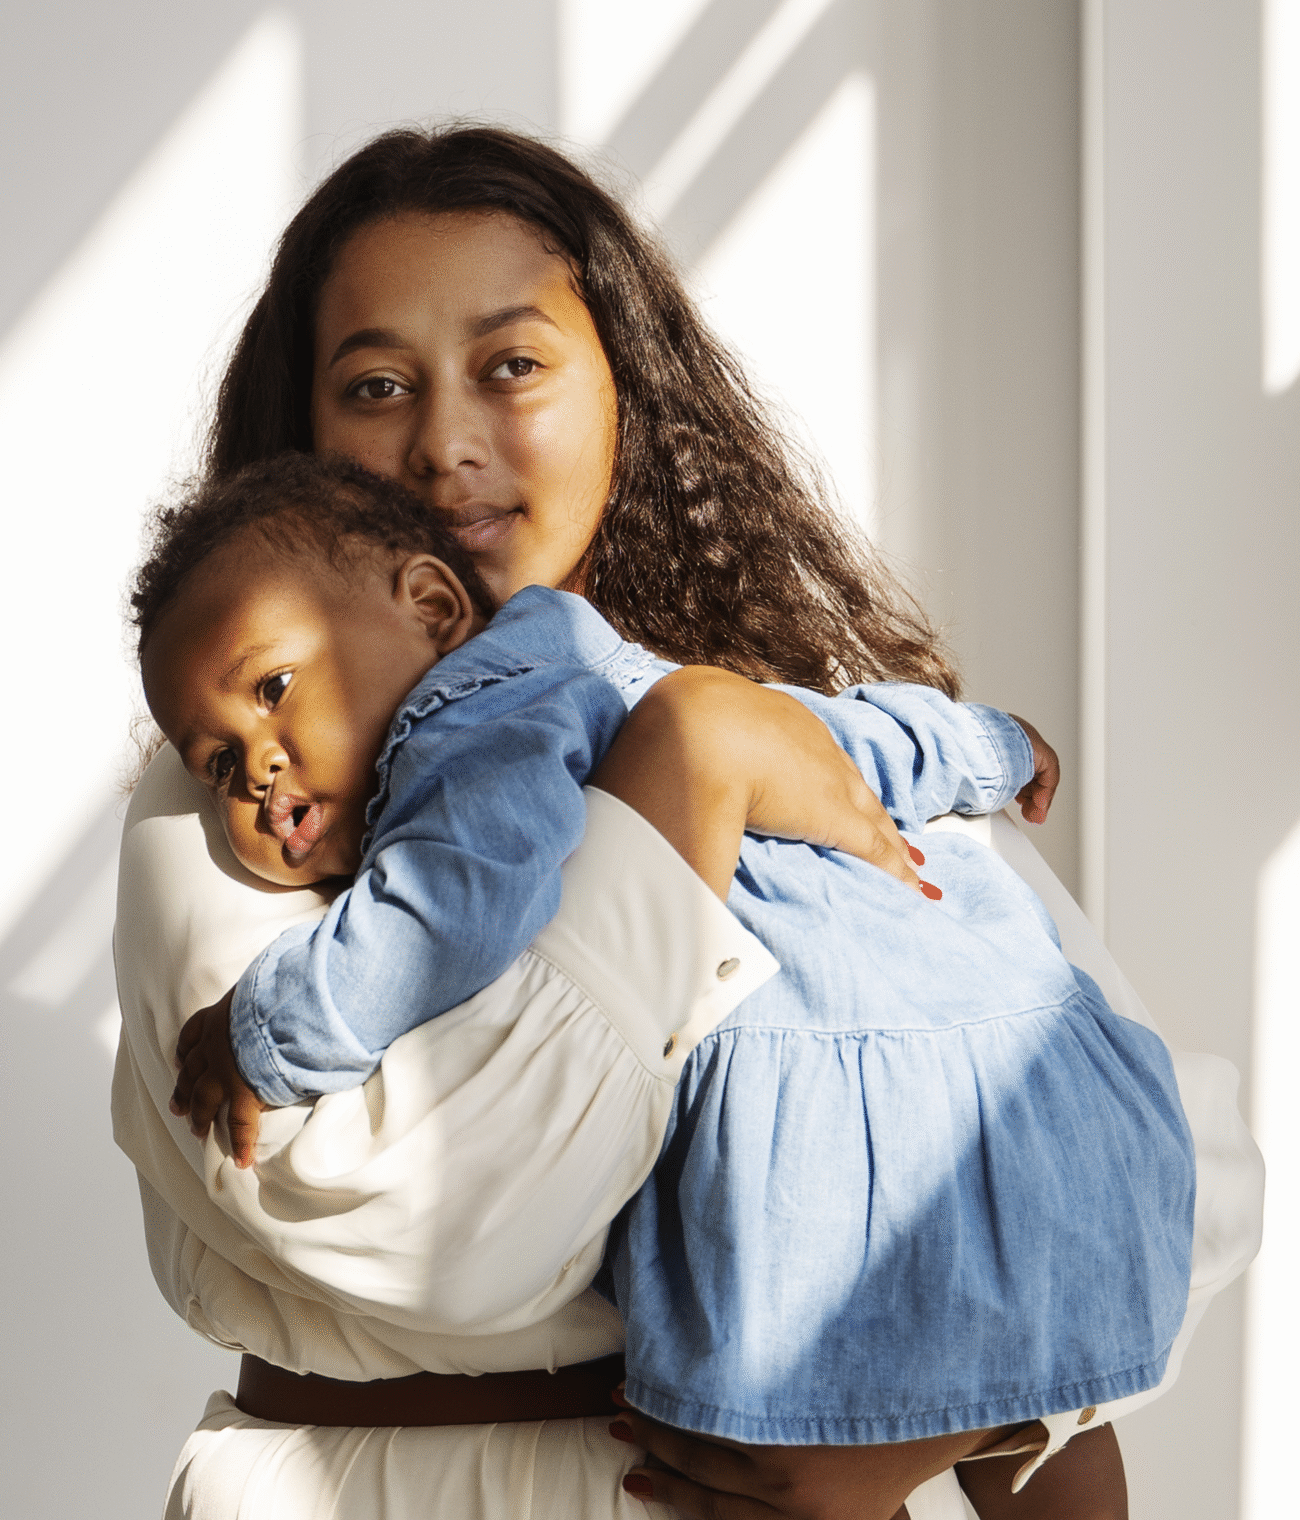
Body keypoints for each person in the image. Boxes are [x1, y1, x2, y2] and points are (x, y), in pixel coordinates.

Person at [109, 125, 1263, 1520]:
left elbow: (1137, 1146)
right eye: (374, 384)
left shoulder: (772, 715)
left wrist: (937, 1419)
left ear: (624, 397)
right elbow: (436, 1233)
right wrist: (687, 777)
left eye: (512, 366)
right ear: (305, 429)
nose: (444, 442)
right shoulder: (234, 805)